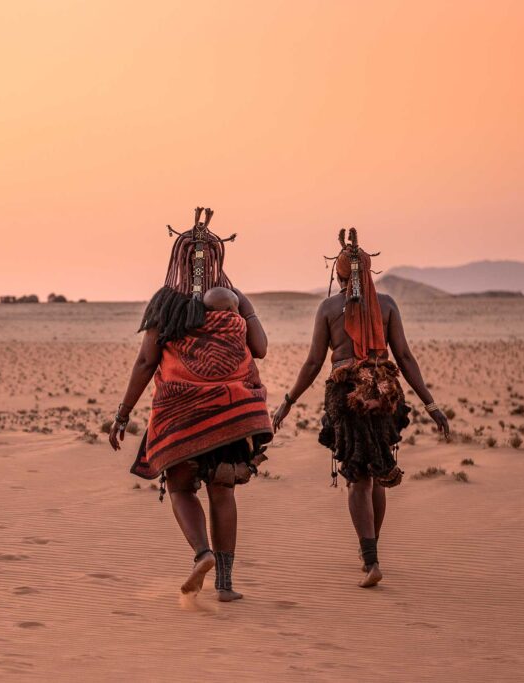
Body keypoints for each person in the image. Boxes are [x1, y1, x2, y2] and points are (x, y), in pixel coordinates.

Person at [109, 207, 272, 602]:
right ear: (217, 258)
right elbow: (261, 349)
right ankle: (226, 584)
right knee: (222, 490)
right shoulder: (233, 303)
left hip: (178, 414)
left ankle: (202, 553)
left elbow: (147, 361)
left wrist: (123, 413)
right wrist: (244, 304)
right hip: (227, 412)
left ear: (178, 258)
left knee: (181, 488)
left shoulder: (166, 304)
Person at [272, 228, 450, 588]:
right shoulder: (387, 306)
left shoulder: (327, 308)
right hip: (384, 391)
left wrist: (287, 403)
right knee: (378, 468)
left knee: (358, 477)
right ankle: (372, 550)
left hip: (346, 394)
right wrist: (431, 404)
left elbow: (311, 365)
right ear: (369, 272)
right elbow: (404, 356)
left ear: (338, 274)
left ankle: (370, 560)